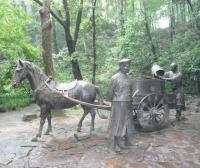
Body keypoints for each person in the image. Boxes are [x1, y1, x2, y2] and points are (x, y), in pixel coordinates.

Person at [108, 58, 134, 152]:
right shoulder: (114, 78)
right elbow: (110, 93)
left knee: (127, 122)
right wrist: (113, 103)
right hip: (118, 103)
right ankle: (115, 144)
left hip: (127, 102)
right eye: (126, 66)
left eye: (129, 65)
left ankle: (126, 141)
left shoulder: (128, 77)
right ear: (121, 66)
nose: (128, 68)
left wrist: (131, 101)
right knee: (117, 123)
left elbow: (130, 91)